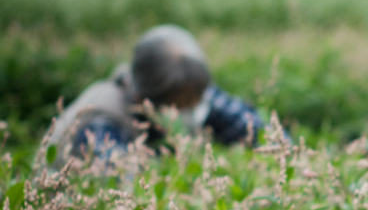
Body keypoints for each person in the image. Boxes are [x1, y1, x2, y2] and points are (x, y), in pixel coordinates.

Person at [42, 25, 265, 166]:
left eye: (194, 101)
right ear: (144, 100)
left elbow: (258, 132)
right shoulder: (102, 118)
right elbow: (122, 192)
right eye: (178, 106)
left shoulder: (191, 90)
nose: (190, 113)